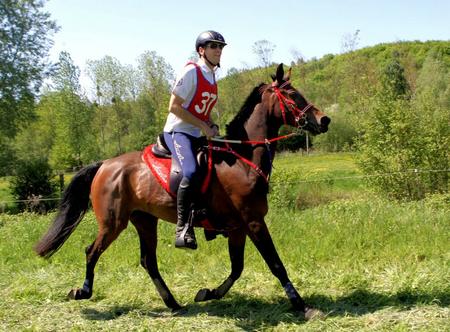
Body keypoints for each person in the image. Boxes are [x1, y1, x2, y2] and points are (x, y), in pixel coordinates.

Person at [163, 30, 226, 249]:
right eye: (213, 46)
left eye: (220, 47)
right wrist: (201, 125)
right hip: (177, 132)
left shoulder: (212, 76)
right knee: (190, 171)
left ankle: (209, 221)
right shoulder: (191, 71)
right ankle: (182, 228)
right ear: (202, 50)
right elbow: (173, 106)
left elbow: (200, 109)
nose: (218, 50)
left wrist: (209, 124)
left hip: (196, 133)